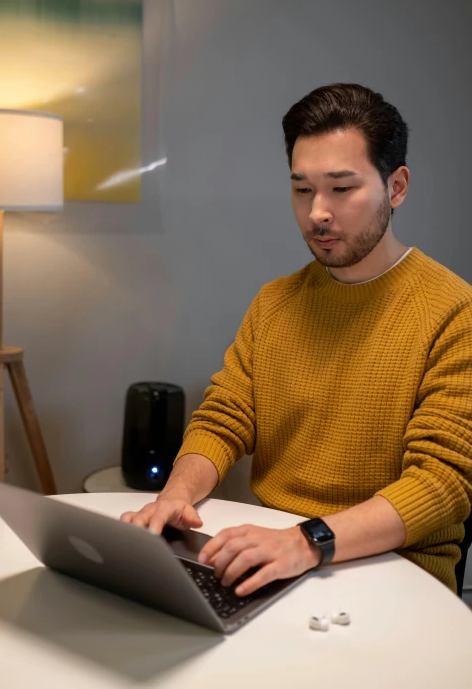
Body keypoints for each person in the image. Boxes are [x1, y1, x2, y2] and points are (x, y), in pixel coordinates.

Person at [121, 83, 472, 597]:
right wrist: (175, 496)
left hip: (397, 576)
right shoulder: (275, 303)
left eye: (341, 188)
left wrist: (306, 542)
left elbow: (441, 485)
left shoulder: (453, 311)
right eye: (302, 189)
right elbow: (224, 418)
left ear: (396, 188)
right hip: (280, 559)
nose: (317, 213)